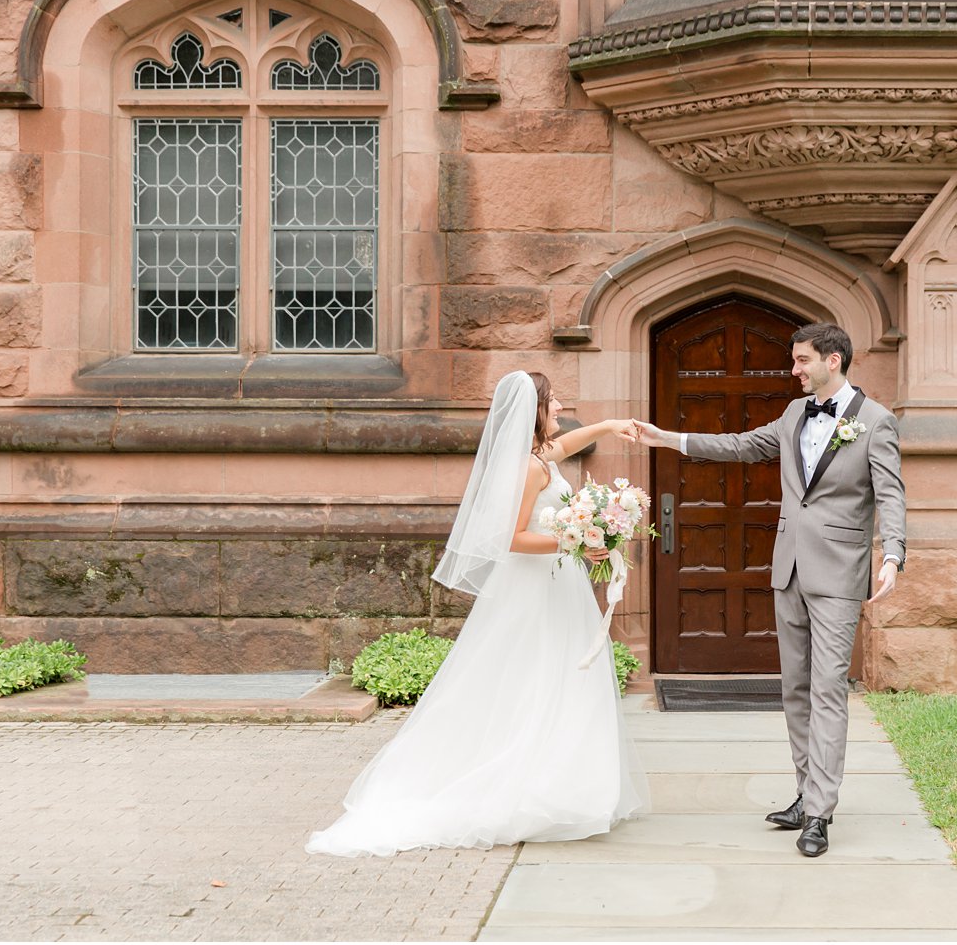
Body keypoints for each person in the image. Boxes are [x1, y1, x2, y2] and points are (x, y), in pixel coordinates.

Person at [306, 371, 649, 857]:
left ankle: (560, 784)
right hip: (535, 588)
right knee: (535, 678)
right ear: (535, 411)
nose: (559, 407)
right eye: (553, 402)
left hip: (554, 586)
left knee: (556, 678)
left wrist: (609, 425)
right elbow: (510, 539)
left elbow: (567, 443)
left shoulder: (536, 458)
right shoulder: (530, 469)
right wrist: (575, 539)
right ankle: (528, 787)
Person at [634, 322, 905, 858]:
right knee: (795, 689)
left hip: (839, 574)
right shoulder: (792, 415)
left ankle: (821, 813)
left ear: (833, 359)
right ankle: (805, 794)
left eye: (802, 360)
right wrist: (668, 438)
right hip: (789, 570)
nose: (794, 370)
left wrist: (892, 553)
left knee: (828, 689)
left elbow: (890, 493)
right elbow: (740, 445)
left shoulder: (876, 423)